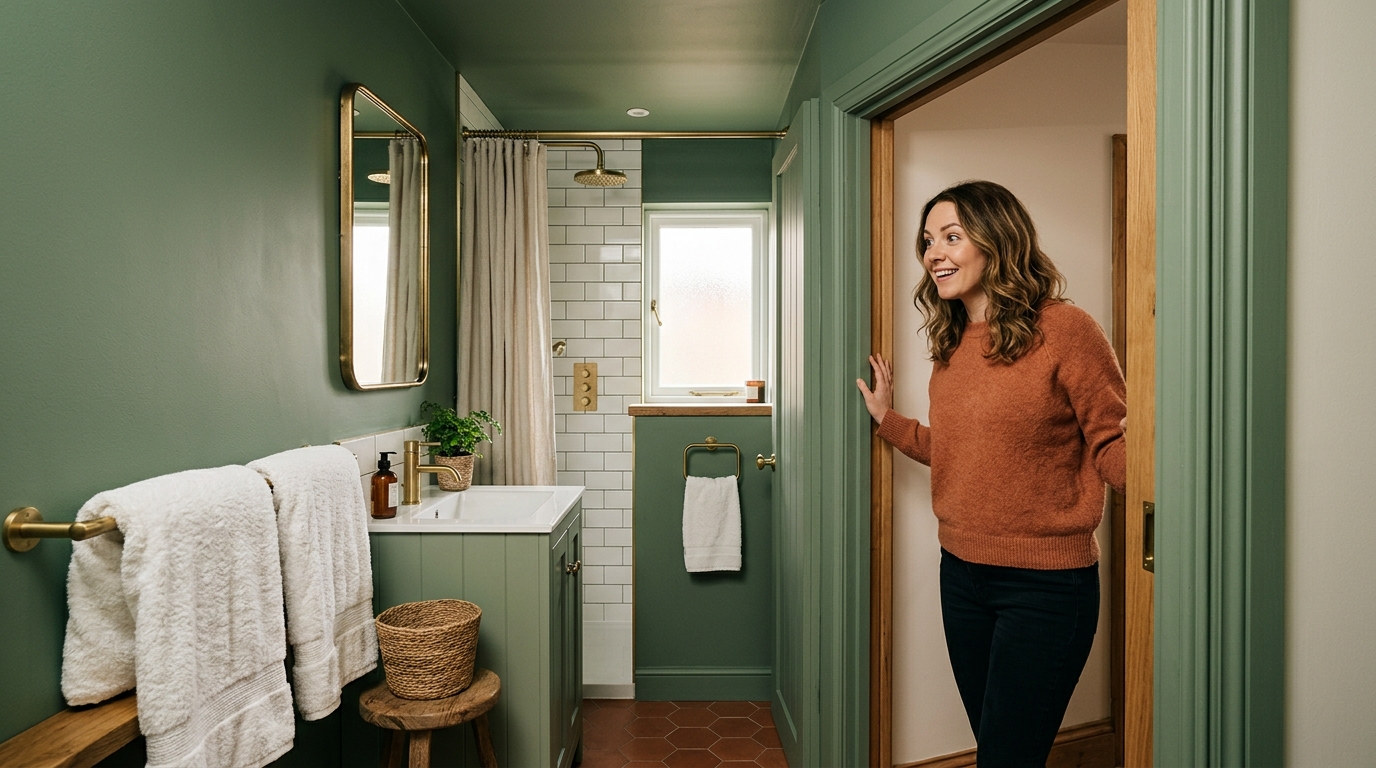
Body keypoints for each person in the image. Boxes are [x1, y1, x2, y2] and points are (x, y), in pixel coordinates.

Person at [856, 180, 1126, 766]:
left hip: (1046, 587)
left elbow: (1112, 440)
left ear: (997, 240)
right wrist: (888, 421)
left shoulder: (1065, 329)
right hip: (961, 577)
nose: (934, 254)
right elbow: (962, 452)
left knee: (1005, 759)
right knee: (998, 751)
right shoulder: (952, 342)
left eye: (952, 237)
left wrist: (1176, 486)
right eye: (928, 241)